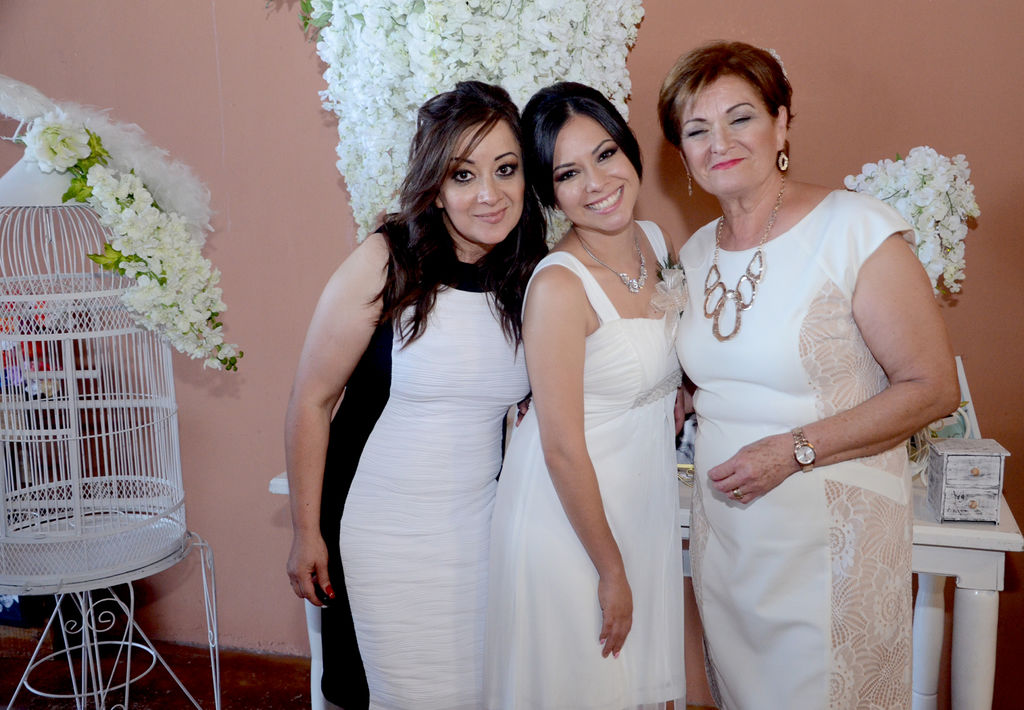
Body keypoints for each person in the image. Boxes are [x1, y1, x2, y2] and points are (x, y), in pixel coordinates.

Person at [657, 41, 960, 709]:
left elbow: (931, 387)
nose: (720, 143)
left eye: (740, 118)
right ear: (681, 152)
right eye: (697, 130)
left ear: (782, 122)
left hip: (831, 548)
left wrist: (791, 451)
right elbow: (716, 374)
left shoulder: (856, 230)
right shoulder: (696, 253)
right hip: (728, 544)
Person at [285, 80, 547, 710]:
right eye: (463, 174)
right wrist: (305, 530)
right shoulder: (387, 260)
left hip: (480, 533)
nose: (489, 194)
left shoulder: (531, 274)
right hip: (382, 531)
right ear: (435, 184)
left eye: (506, 169)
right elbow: (311, 401)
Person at [485, 82, 685, 710]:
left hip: (639, 500)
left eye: (605, 154)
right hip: (569, 522)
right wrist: (611, 569)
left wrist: (682, 391)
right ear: (549, 194)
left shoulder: (656, 241)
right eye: (568, 173)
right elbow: (562, 449)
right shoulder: (559, 288)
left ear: (629, 149)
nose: (597, 182)